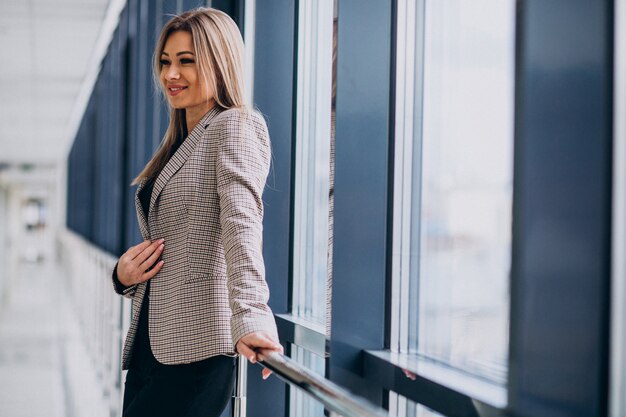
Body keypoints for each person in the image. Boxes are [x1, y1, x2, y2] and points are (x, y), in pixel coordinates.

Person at [110, 7, 282, 417]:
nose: (171, 74)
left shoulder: (234, 125)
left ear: (220, 61)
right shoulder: (180, 143)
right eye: (166, 62)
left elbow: (242, 224)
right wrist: (122, 276)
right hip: (154, 345)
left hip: (197, 351)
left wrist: (252, 316)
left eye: (187, 61)